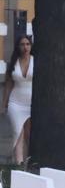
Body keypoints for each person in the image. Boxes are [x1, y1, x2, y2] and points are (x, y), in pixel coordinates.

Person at [3, 34, 32, 163]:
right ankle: (19, 165)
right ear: (18, 47)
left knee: (29, 135)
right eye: (22, 44)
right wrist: (4, 104)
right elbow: (8, 85)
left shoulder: (36, 61)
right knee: (17, 132)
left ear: (31, 46)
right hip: (15, 103)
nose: (25, 47)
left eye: (27, 44)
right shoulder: (14, 62)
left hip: (31, 104)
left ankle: (28, 162)